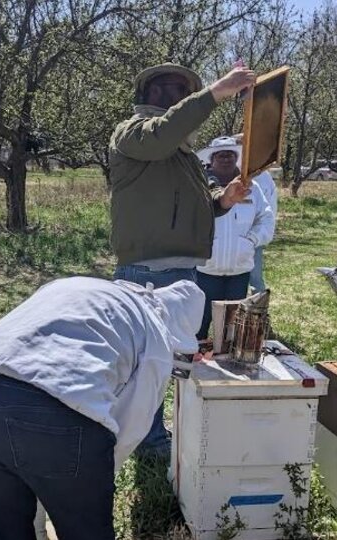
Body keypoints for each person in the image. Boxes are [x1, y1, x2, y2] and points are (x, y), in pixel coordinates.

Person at [0, 277, 204, 540]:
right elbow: (131, 426)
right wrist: (88, 480)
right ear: (177, 328)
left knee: (1, 531)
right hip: (53, 410)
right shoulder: (156, 333)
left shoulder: (81, 287)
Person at [108, 62, 255, 457]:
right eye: (175, 90)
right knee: (146, 364)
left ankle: (152, 434)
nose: (181, 97)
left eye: (185, 91)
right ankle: (146, 442)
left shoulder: (180, 152)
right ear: (152, 95)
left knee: (168, 358)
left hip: (179, 270)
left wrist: (223, 202)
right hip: (148, 273)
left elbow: (189, 206)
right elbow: (161, 134)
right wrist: (216, 92)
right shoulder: (134, 133)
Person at [194, 136, 275, 339]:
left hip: (239, 272)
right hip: (205, 271)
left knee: (231, 329)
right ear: (211, 160)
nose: (226, 159)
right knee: (199, 325)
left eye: (231, 155)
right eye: (221, 155)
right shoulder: (199, 188)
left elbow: (266, 218)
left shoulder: (252, 188)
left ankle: (226, 366)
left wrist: (251, 240)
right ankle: (194, 366)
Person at [232, 132, 279, 294]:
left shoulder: (263, 177)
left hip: (252, 241)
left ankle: (257, 315)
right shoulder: (226, 173)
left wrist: (255, 237)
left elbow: (269, 212)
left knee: (255, 280)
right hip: (224, 242)